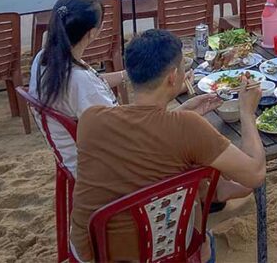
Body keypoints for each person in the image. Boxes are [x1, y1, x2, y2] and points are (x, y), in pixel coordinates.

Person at [69, 30, 266, 262]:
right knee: (204, 233)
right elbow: (255, 174)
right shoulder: (187, 127)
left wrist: (181, 111)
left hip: (92, 251)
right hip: (156, 253)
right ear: (173, 77)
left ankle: (216, 191)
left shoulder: (92, 119)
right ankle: (216, 197)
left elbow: (141, 132)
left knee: (190, 172)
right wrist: (246, 112)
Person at [29, 0, 220, 174]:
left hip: (76, 154)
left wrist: (130, 74)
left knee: (180, 124)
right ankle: (208, 194)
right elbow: (127, 133)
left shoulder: (46, 58)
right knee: (190, 140)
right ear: (92, 33)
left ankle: (207, 192)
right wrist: (176, 108)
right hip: (105, 166)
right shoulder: (80, 82)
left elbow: (94, 84)